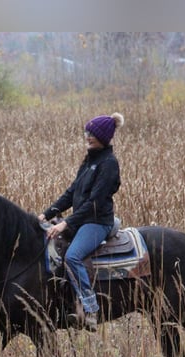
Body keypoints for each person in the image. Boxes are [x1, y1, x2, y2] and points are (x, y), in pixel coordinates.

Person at [39, 112, 124, 332]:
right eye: (87, 132)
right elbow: (72, 193)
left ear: (104, 136)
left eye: (93, 133)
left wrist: (65, 223)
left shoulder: (109, 164)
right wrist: (46, 215)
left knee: (73, 256)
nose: (88, 137)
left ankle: (90, 308)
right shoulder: (89, 160)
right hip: (82, 220)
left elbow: (94, 202)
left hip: (97, 222)